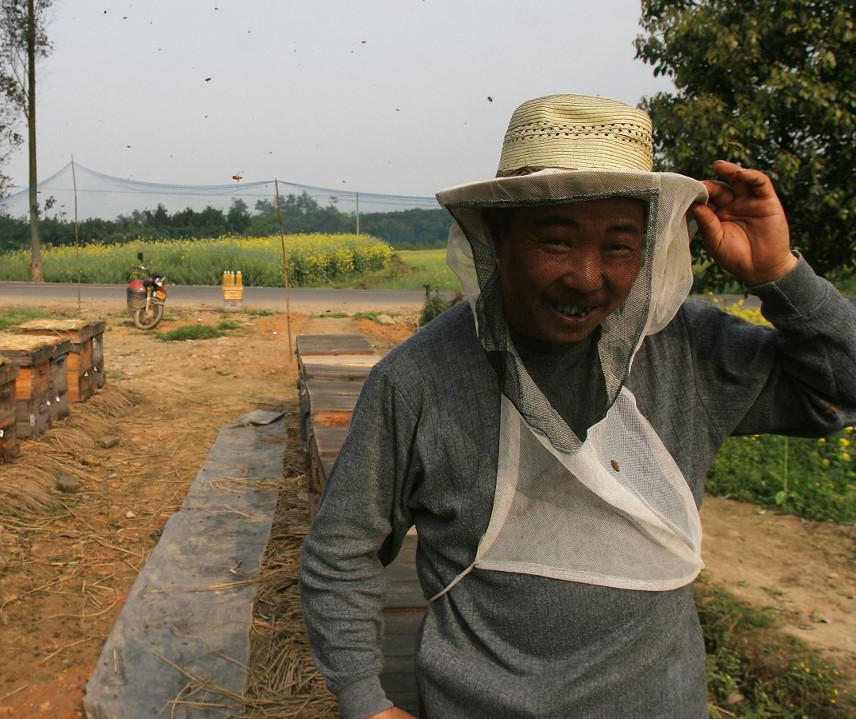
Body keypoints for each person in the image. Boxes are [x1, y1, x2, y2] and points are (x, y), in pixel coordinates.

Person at [299, 94, 856, 719]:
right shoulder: (421, 379)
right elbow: (341, 550)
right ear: (496, 233)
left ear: (649, 248)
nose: (588, 278)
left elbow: (842, 387)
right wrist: (365, 699)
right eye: (557, 242)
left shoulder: (688, 351)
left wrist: (779, 274)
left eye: (619, 246)